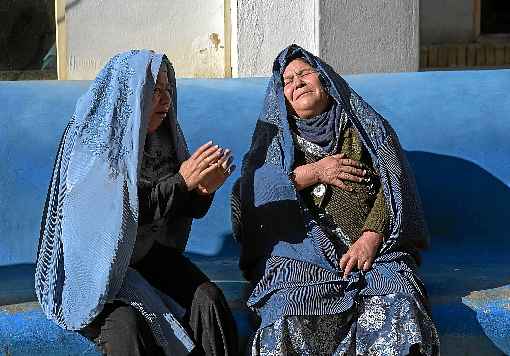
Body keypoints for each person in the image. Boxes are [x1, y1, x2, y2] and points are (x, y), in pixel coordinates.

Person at [232, 44, 440, 355]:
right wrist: (315, 172)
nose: (297, 83)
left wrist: (371, 236)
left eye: (304, 73)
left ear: (324, 79)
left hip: (374, 252)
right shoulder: (273, 140)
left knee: (398, 299)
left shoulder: (366, 127)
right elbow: (250, 194)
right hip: (299, 256)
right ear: (281, 98)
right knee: (289, 306)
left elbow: (393, 185)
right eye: (287, 81)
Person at [35, 50, 238, 356]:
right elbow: (115, 215)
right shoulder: (96, 143)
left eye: (167, 89)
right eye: (153, 91)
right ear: (129, 93)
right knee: (127, 328)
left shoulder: (163, 137)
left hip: (142, 253)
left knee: (208, 299)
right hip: (91, 266)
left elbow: (175, 208)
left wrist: (202, 191)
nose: (165, 99)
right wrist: (182, 183)